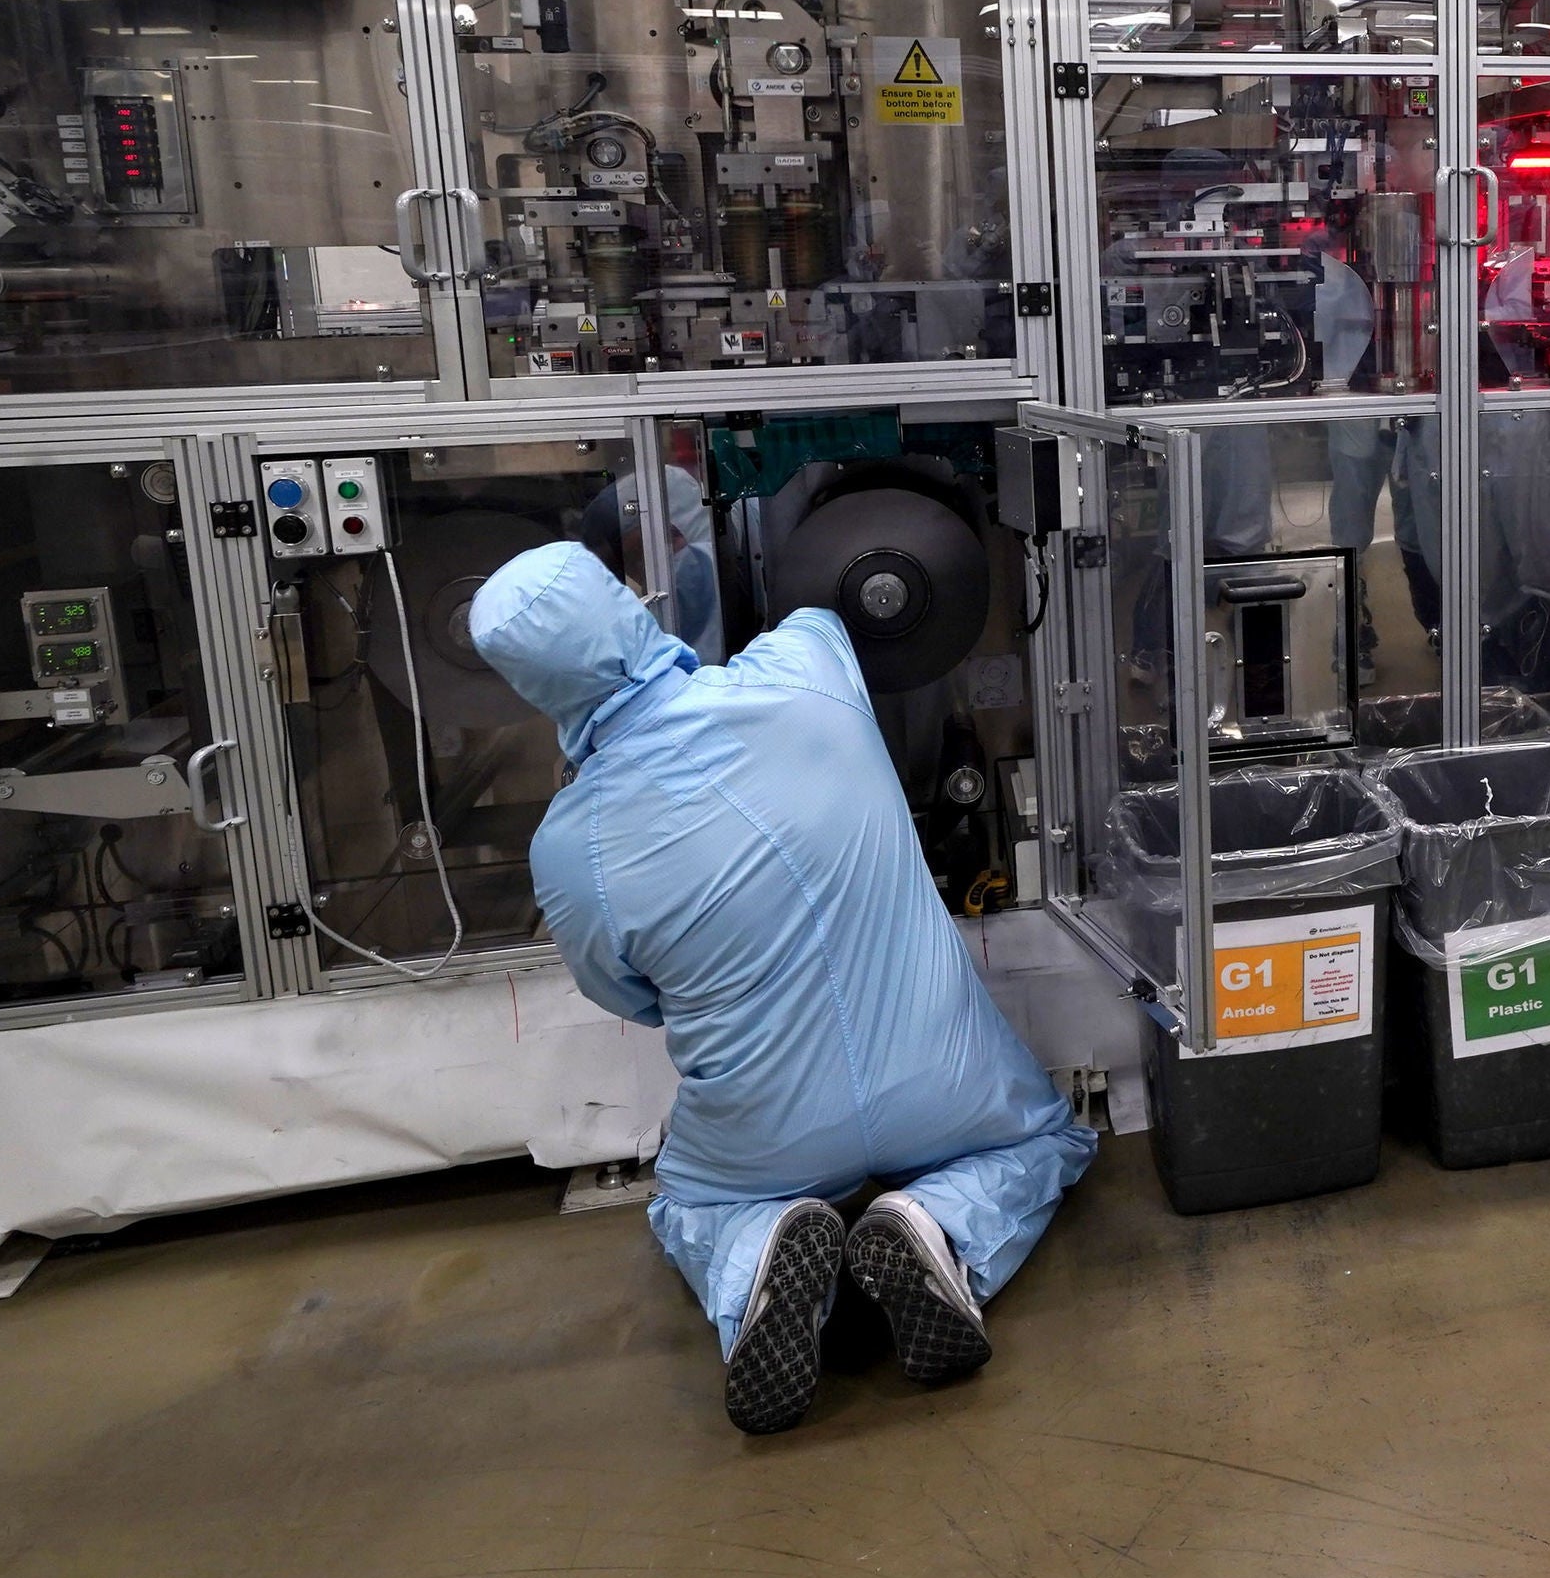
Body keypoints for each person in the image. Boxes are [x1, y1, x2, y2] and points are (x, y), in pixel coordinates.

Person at [467, 543, 1096, 1436]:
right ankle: (938, 1226)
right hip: (948, 1084)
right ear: (628, 605)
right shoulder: (805, 671)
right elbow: (831, 595)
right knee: (1045, 1141)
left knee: (692, 1202)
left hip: (764, 1133)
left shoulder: (570, 850)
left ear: (529, 690)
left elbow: (629, 996)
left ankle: (758, 1244)